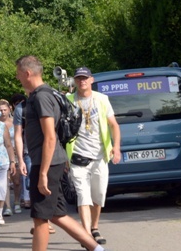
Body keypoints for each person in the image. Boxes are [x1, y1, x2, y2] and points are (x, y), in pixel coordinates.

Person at [15, 55, 107, 251]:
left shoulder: (41, 97)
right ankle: (97, 248)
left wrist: (42, 174)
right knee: (58, 215)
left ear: (27, 73)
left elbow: (49, 137)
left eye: (18, 74)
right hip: (51, 162)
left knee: (40, 218)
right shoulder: (47, 94)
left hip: (45, 163)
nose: (17, 78)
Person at [66, 67, 122, 246]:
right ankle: (87, 236)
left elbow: (114, 125)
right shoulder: (68, 101)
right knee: (83, 196)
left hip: (99, 156)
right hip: (78, 157)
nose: (82, 81)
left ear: (91, 80)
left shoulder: (102, 99)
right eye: (79, 78)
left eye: (85, 78)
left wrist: (117, 148)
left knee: (98, 196)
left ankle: (94, 227)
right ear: (75, 81)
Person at [0, 99, 21, 216]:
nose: (3, 112)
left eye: (5, 110)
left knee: (16, 181)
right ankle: (8, 206)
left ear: (9, 109)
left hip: (15, 154)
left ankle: (16, 201)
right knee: (4, 182)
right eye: (0, 110)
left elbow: (19, 137)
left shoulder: (14, 122)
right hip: (1, 154)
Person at [12, 92, 34, 212]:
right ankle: (29, 199)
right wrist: (20, 159)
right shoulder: (21, 109)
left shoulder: (48, 103)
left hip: (48, 150)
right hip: (28, 151)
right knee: (30, 177)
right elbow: (18, 135)